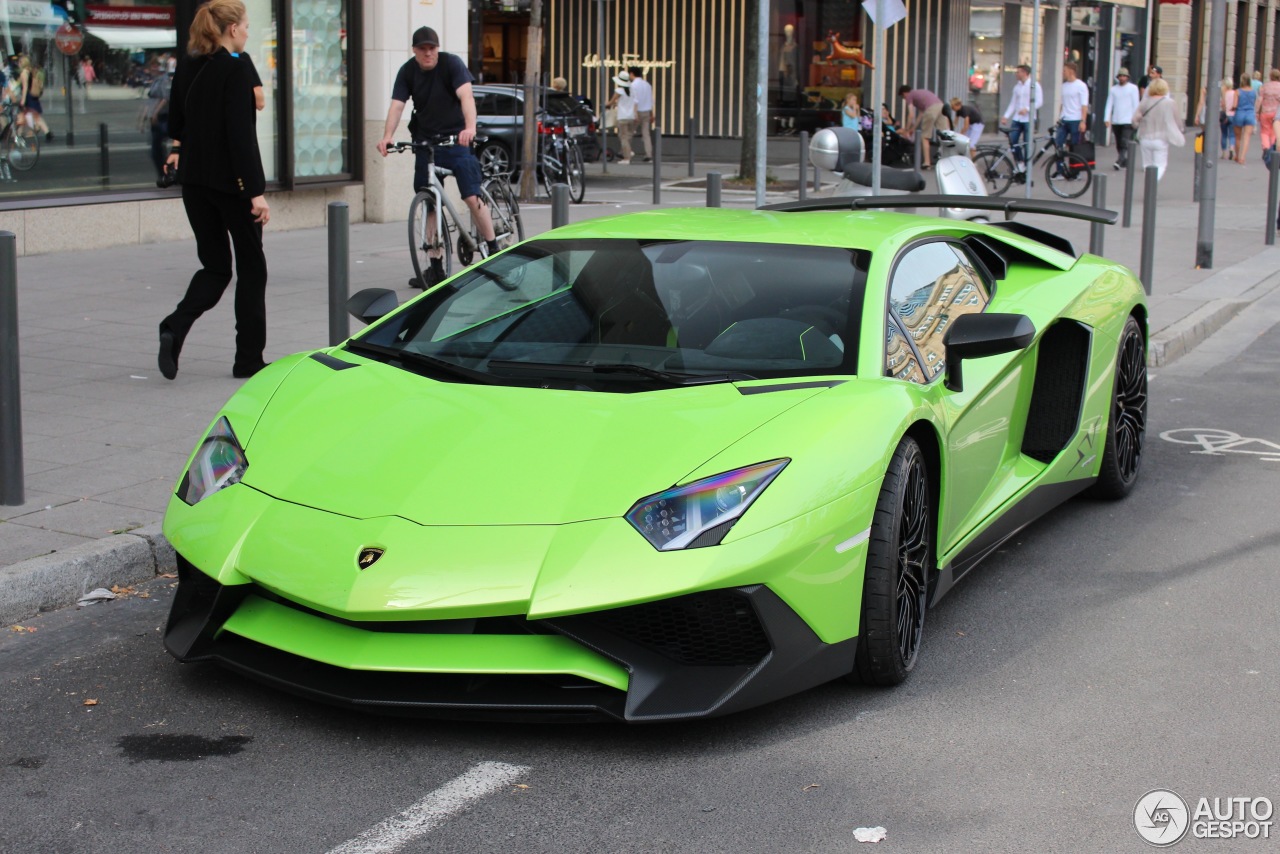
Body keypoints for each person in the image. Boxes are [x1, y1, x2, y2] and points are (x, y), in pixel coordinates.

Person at [157, 0, 270, 382]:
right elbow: (241, 139)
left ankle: (175, 325)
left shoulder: (188, 65)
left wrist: (179, 151)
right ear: (232, 28)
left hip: (195, 183)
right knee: (252, 268)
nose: (248, 32)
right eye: (246, 26)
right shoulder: (235, 70)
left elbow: (175, 121)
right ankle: (248, 359)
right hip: (232, 187)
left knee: (216, 267)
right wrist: (255, 192)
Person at [376, 26, 497, 288]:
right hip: (426, 142)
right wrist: (387, 135)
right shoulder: (408, 71)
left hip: (456, 139)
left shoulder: (451, 64)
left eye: (432, 48)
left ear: (437, 49)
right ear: (415, 51)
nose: (428, 53)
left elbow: (466, 96)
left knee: (470, 195)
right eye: (423, 49)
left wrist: (470, 129)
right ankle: (435, 267)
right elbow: (397, 105)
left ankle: (494, 248)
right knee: (429, 201)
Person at [1132, 77, 1184, 181]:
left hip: (1145, 137)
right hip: (1161, 138)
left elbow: (1134, 120)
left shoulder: (1145, 102)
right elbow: (1177, 120)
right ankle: (1152, 185)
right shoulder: (1170, 103)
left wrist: (1137, 124)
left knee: (1147, 165)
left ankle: (1148, 187)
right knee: (1160, 165)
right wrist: (1180, 129)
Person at [1001, 64, 1042, 173]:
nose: (1016, 74)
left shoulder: (1034, 85)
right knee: (1013, 141)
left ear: (1024, 73)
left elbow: (1039, 102)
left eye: (1018, 72)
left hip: (1028, 119)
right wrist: (1006, 116)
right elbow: (1013, 103)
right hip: (1017, 119)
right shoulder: (1017, 87)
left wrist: (1027, 109)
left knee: (1027, 143)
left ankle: (1026, 166)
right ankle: (1020, 162)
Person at [897, 84, 946, 168]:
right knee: (944, 135)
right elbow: (921, 114)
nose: (904, 99)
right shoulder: (919, 94)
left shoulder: (910, 96)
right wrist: (913, 128)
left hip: (931, 109)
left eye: (903, 97)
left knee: (925, 137)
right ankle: (946, 160)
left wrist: (906, 129)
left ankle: (927, 163)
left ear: (904, 93)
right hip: (942, 107)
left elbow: (911, 115)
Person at [1104, 67, 1140, 169]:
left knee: (1124, 141)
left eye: (1124, 76)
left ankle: (1119, 161)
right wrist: (1106, 118)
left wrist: (1135, 118)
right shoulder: (1113, 89)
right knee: (1118, 142)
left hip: (1128, 120)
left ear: (1127, 77)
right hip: (1116, 120)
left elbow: (1135, 104)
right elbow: (1109, 104)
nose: (1122, 78)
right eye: (1120, 76)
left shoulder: (1133, 88)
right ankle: (1123, 159)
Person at [17, 55, 51, 142]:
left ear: (22, 63)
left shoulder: (24, 73)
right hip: (32, 96)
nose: (18, 64)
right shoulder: (30, 72)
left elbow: (25, 88)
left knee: (25, 115)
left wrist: (23, 100)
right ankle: (47, 132)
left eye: (19, 62)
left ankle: (18, 135)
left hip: (28, 97)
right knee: (32, 116)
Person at [1057, 62, 1089, 148]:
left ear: (1071, 71)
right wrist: (1059, 117)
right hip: (1064, 119)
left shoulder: (1081, 86)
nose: (1063, 73)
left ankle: (1074, 161)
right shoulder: (1063, 86)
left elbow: (1084, 105)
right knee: (1058, 143)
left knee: (1075, 146)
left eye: (1064, 71)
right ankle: (1060, 162)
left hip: (1075, 119)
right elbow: (1062, 103)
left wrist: (1083, 121)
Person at [607, 70, 636, 164]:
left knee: (623, 137)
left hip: (622, 116)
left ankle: (626, 158)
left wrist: (606, 104)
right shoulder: (632, 90)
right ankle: (628, 151)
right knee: (627, 136)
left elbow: (610, 102)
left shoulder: (619, 91)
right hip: (631, 116)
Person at [628, 66, 654, 161]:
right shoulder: (647, 85)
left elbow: (634, 101)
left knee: (629, 132)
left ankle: (625, 152)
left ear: (631, 74)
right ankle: (648, 154)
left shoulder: (633, 85)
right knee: (646, 134)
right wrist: (652, 114)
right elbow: (651, 100)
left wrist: (634, 114)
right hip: (647, 111)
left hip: (637, 111)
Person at [1232, 72, 1258, 164]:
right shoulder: (1253, 92)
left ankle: (1237, 155)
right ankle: (1242, 158)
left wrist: (1232, 109)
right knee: (1247, 137)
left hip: (1239, 113)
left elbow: (1234, 105)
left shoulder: (1238, 91)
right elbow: (1254, 103)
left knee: (1238, 137)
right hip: (1250, 114)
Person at [1258, 69, 1280, 155]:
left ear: (1270, 76)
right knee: (1274, 131)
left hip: (1265, 112)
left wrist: (1256, 111)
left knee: (1264, 131)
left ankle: (1265, 147)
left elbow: (1260, 99)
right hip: (1276, 112)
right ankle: (1271, 147)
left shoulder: (1265, 86)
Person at [1219, 76, 1238, 159]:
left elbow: (1222, 105)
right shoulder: (1235, 93)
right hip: (1233, 116)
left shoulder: (1223, 94)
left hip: (1224, 115)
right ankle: (1231, 149)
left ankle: (1224, 153)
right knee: (1232, 135)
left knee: (1224, 134)